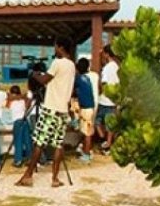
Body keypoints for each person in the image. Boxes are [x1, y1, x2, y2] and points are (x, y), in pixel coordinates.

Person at [17, 38, 76, 187]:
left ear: (61, 47)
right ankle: (55, 179)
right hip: (63, 110)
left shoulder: (57, 63)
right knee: (58, 144)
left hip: (51, 108)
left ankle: (28, 176)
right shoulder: (71, 65)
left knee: (39, 142)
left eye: (55, 46)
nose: (54, 49)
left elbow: (44, 80)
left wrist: (34, 74)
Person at [96, 44, 120, 153]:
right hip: (114, 101)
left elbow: (104, 83)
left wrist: (100, 91)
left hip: (104, 100)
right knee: (110, 125)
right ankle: (108, 143)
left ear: (106, 54)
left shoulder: (106, 68)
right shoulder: (117, 67)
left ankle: (102, 139)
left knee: (97, 121)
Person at [72, 58, 96, 162]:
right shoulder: (86, 78)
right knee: (87, 131)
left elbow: (71, 88)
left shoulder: (78, 78)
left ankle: (86, 154)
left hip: (86, 109)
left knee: (87, 133)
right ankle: (86, 151)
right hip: (89, 107)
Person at [7, 85, 31, 167]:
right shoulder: (23, 100)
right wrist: (23, 96)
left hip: (17, 121)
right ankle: (30, 159)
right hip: (25, 120)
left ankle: (18, 160)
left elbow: (7, 105)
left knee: (18, 141)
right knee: (27, 141)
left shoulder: (10, 101)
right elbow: (28, 103)